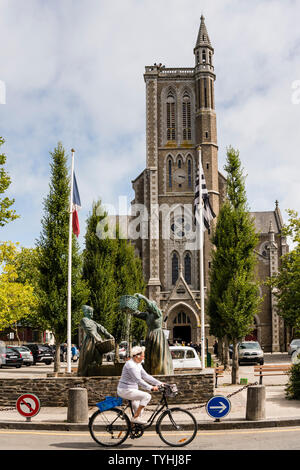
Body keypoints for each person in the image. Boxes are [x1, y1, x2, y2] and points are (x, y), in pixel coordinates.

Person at [127, 293, 174, 375]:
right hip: (150, 335)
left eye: (149, 305)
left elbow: (152, 306)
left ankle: (161, 372)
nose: (147, 306)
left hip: (157, 336)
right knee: (149, 356)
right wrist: (129, 309)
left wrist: (143, 298)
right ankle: (150, 373)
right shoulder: (147, 315)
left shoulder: (158, 313)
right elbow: (136, 313)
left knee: (157, 356)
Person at [117, 346, 163, 425]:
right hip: (125, 390)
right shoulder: (130, 365)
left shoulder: (138, 364)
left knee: (139, 410)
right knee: (147, 396)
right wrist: (151, 388)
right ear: (137, 356)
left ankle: (132, 428)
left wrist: (160, 383)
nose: (143, 357)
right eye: (143, 356)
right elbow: (138, 380)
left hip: (132, 390)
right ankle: (135, 417)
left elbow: (146, 376)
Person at [77, 305, 114, 376]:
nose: (91, 314)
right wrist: (96, 338)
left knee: (98, 358)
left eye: (92, 312)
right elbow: (89, 330)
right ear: (85, 313)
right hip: (90, 342)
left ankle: (96, 373)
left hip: (98, 342)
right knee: (88, 358)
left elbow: (101, 328)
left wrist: (109, 335)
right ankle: (84, 374)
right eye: (90, 312)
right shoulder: (84, 320)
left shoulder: (93, 322)